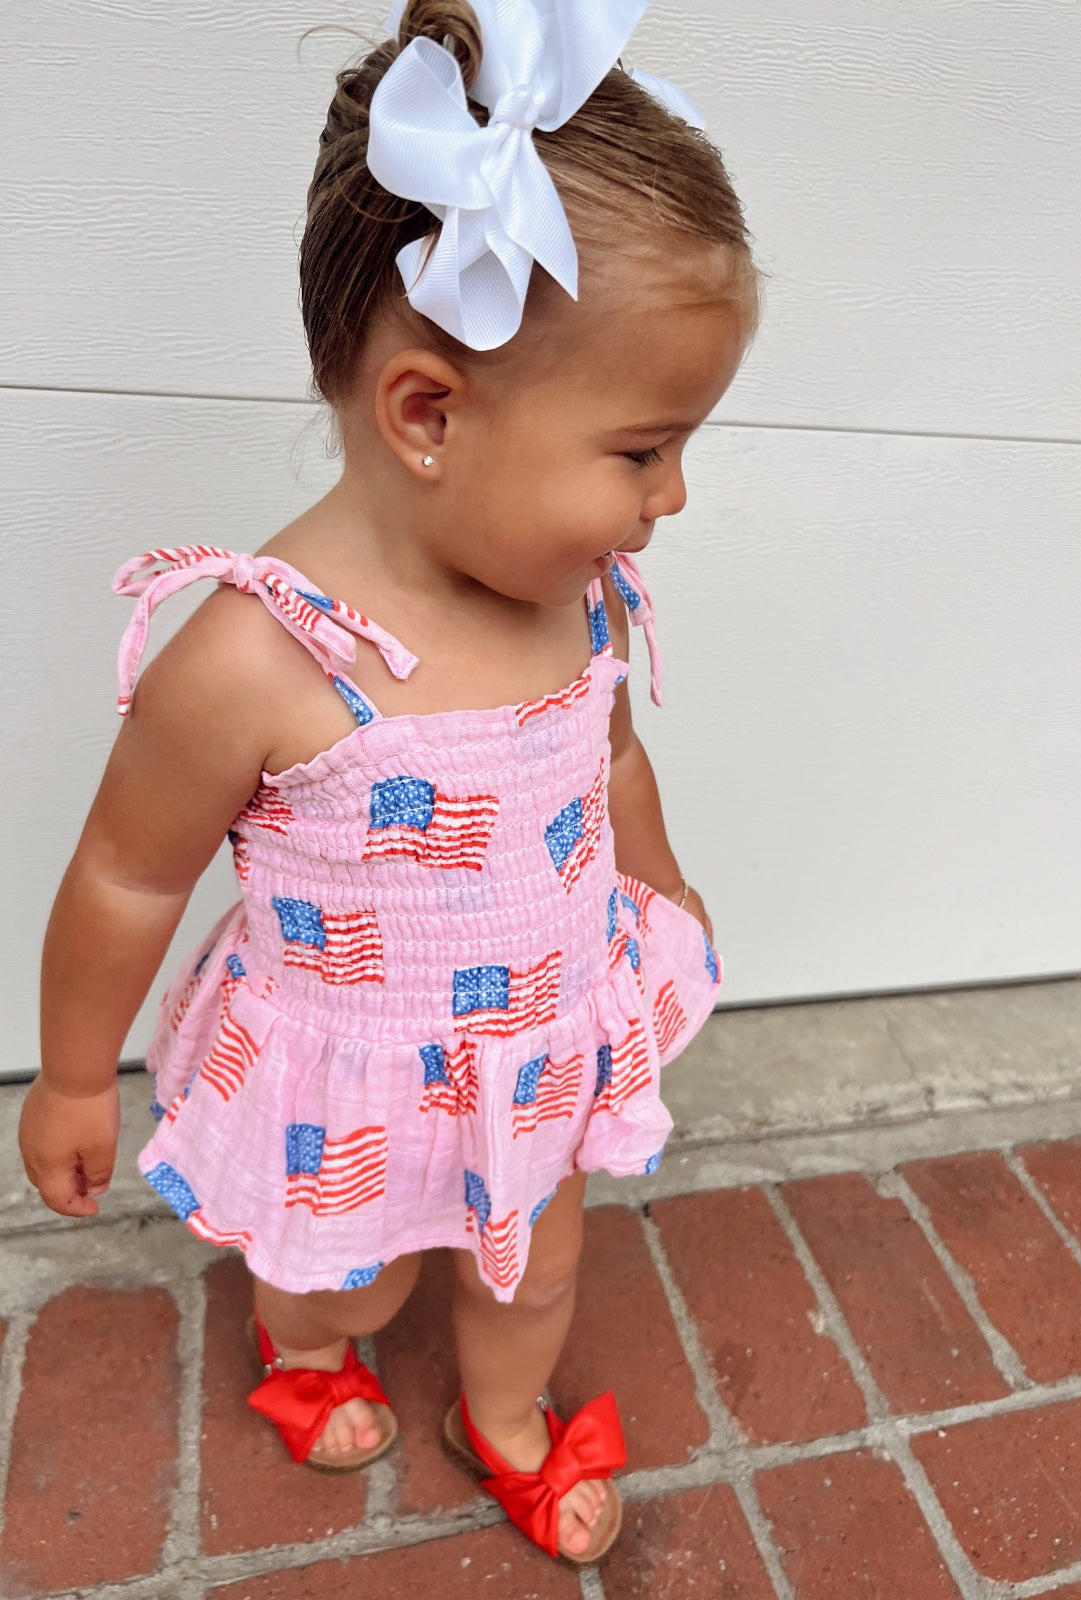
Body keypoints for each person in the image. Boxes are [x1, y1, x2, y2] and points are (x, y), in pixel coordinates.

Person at [19, 0, 760, 1567]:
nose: (673, 496)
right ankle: (306, 1351)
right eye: (643, 450)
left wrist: (659, 871)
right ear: (429, 412)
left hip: (537, 1049)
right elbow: (127, 873)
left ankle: (501, 1417)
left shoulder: (576, 596)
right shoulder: (258, 657)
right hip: (344, 1079)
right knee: (340, 1272)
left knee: (535, 1269)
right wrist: (76, 1072)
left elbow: (611, 746)